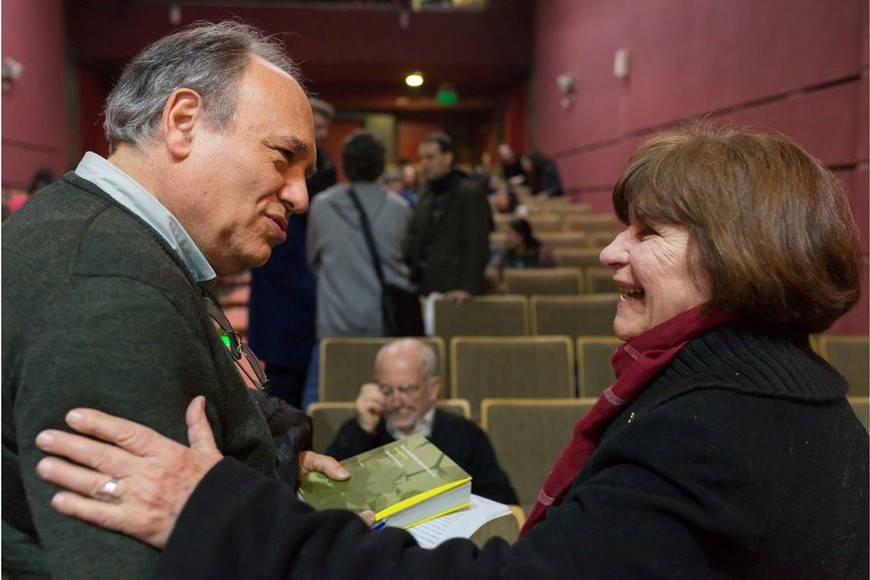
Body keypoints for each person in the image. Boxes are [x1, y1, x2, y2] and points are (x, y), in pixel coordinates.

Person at [34, 120, 868, 577]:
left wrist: (219, 511)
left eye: (646, 233)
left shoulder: (711, 431)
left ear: (739, 257)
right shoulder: (796, 400)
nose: (612, 253)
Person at [2, 22, 349, 578]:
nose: (300, 195)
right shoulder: (109, 285)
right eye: (283, 157)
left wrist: (273, 465)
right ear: (184, 122)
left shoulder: (115, 241)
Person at [300, 130, 414, 410]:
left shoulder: (322, 206)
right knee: (388, 408)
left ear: (345, 164)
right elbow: (405, 259)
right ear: (380, 164)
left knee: (322, 408)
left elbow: (313, 261)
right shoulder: (400, 208)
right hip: (384, 323)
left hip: (335, 323)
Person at [326, 339, 518, 505]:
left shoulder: (465, 434)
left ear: (433, 388)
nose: (397, 401)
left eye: (407, 389)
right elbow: (326, 495)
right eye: (386, 390)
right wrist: (362, 431)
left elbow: (501, 501)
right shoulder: (360, 430)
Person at [246, 97, 338, 408]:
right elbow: (276, 261)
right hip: (284, 301)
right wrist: (313, 293)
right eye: (318, 126)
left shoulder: (323, 168)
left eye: (325, 127)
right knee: (281, 394)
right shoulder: (281, 169)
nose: (322, 134)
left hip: (301, 294)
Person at [406, 132, 492, 303]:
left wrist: (468, 288)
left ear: (448, 158)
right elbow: (415, 237)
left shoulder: (469, 192)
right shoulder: (425, 192)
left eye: (430, 157)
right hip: (421, 285)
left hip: (453, 290)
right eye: (422, 158)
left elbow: (477, 244)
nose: (424, 163)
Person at [487, 217, 556, 277]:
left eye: (510, 233)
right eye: (506, 234)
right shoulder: (502, 255)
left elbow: (552, 277)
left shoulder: (542, 254)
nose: (507, 238)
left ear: (522, 235)